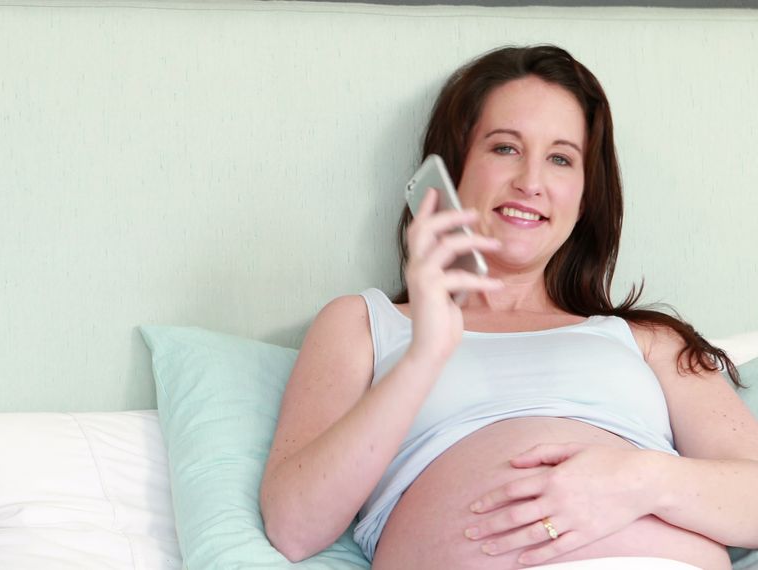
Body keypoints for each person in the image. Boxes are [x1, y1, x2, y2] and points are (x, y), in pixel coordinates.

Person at [258, 45, 758, 570]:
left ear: (585, 197)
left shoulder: (648, 339)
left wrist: (637, 480)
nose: (531, 182)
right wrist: (427, 352)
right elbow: (295, 528)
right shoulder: (361, 323)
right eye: (504, 148)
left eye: (561, 158)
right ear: (450, 170)